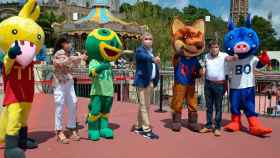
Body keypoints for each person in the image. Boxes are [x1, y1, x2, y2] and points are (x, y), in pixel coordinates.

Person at [53, 37, 87, 144]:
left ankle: (71, 127)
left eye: (70, 43)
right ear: (62, 44)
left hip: (69, 82)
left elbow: (73, 65)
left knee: (73, 103)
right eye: (68, 43)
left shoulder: (69, 54)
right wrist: (77, 57)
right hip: (60, 83)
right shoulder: (59, 53)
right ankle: (59, 131)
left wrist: (81, 58)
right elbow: (62, 63)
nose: (70, 45)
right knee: (60, 105)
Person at [200, 40, 237, 136]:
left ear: (219, 48)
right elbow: (204, 66)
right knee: (209, 107)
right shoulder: (206, 56)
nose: (215, 49)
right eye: (212, 47)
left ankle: (217, 127)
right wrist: (203, 71)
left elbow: (229, 58)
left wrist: (234, 57)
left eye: (216, 47)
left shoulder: (224, 55)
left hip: (219, 85)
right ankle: (208, 126)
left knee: (218, 107)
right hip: (208, 84)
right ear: (209, 48)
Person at [133, 32, 160, 140]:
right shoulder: (140, 50)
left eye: (150, 39)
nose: (148, 41)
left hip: (150, 82)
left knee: (143, 106)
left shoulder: (150, 52)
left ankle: (139, 127)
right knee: (145, 106)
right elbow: (142, 57)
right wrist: (152, 59)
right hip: (142, 82)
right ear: (142, 40)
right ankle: (147, 130)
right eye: (146, 39)